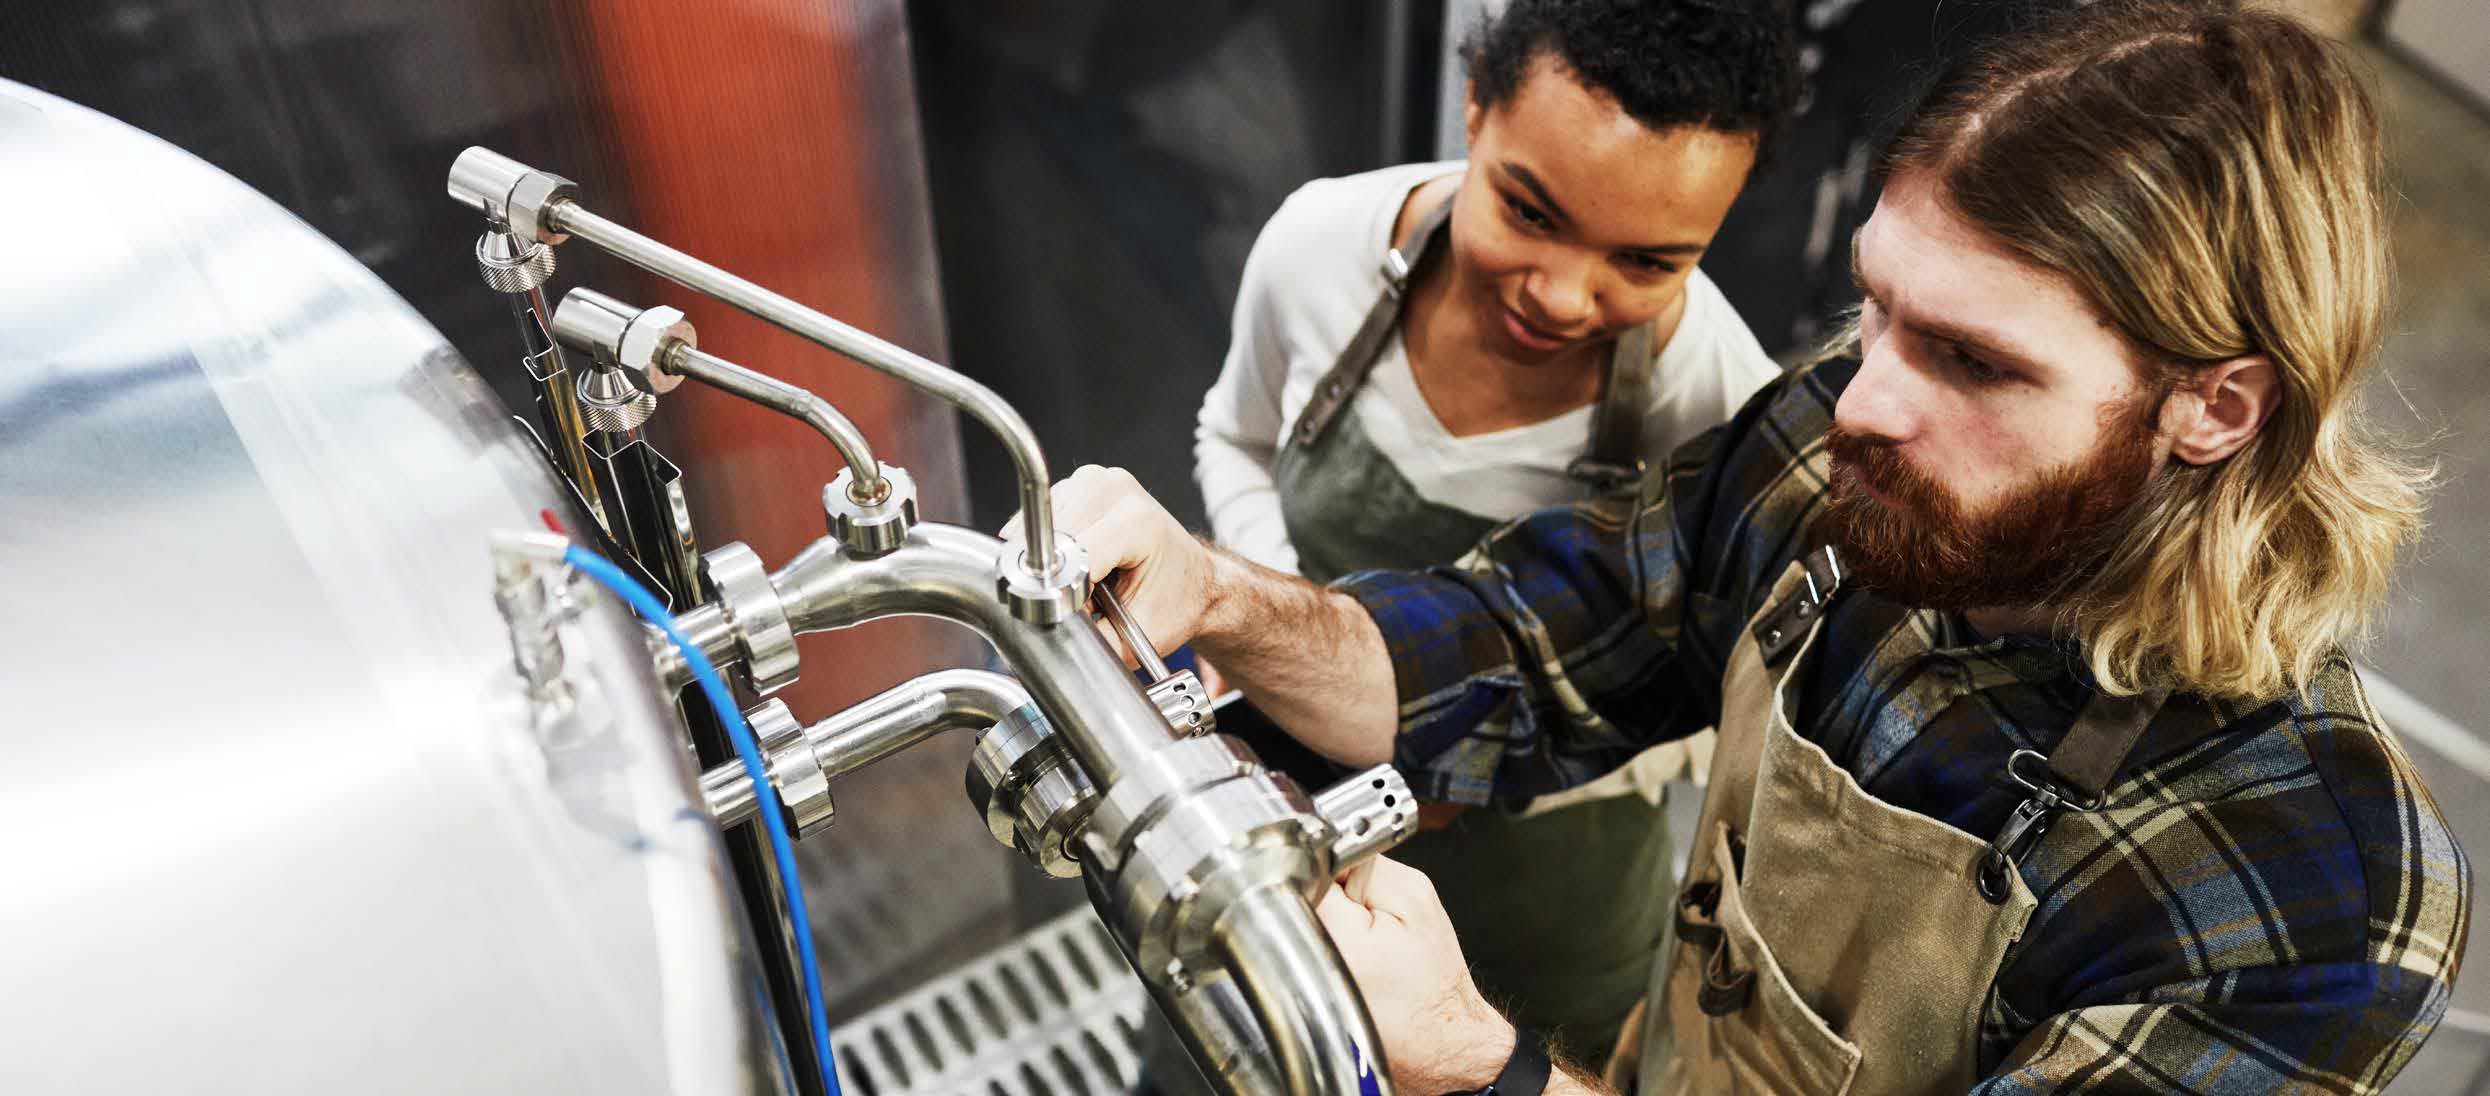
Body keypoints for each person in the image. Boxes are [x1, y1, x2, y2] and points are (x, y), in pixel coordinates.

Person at [1033, 2, 2471, 1092]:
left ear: (2214, 406)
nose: (1862, 404)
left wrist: (1485, 1063)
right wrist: (1220, 598)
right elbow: (1520, 651)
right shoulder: (1830, 453)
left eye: (1972, 360)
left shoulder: (2305, 897)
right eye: (1877, 310)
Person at [1182, 0, 1796, 1070]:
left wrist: (1463, 766)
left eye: (1648, 263)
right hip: (1283, 801)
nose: (1562, 295)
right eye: (1528, 209)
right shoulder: (1320, 246)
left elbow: (1733, 704)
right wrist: (1286, 630)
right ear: (1473, 107)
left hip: (1547, 900)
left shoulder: (1718, 398)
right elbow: (1230, 439)